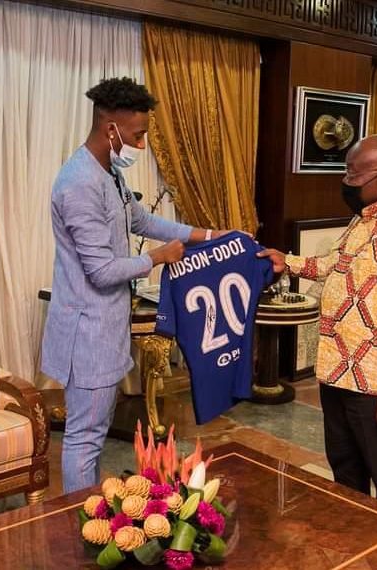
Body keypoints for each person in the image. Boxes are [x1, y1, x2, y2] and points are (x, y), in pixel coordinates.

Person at [42, 77, 235, 493]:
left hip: (104, 325)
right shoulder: (78, 183)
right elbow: (101, 271)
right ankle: (79, 522)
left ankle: (88, 511)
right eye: (138, 135)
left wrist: (204, 234)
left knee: (92, 431)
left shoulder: (108, 172)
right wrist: (156, 258)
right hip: (87, 332)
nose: (142, 145)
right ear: (111, 128)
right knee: (85, 437)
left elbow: (141, 221)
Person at [258, 134, 377, 510]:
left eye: (353, 177)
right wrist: (289, 262)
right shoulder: (363, 220)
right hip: (337, 372)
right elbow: (334, 266)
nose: (346, 183)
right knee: (346, 480)